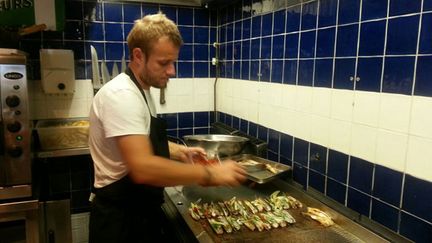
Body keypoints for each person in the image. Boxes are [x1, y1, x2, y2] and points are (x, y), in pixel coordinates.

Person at [88, 13, 246, 243]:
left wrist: (181, 152)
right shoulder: (122, 95)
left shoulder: (141, 90)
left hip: (140, 214)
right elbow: (143, 168)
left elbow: (141, 140)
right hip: (121, 224)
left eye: (173, 62)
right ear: (138, 56)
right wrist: (210, 173)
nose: (172, 71)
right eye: (164, 63)